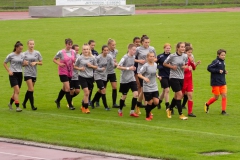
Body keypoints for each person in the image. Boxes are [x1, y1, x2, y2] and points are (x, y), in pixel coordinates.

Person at [163, 42, 188, 120]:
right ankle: (181, 114)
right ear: (178, 48)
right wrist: (171, 66)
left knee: (176, 96)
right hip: (173, 78)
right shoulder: (172, 56)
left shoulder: (185, 56)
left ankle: (169, 109)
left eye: (184, 47)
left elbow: (186, 64)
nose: (183, 48)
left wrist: (185, 67)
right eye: (181, 47)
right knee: (180, 95)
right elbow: (164, 63)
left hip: (181, 77)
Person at [135, 35, 156, 114]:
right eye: (145, 42)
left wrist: (152, 61)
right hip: (142, 72)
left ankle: (138, 105)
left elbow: (155, 58)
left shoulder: (152, 49)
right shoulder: (138, 49)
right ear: (142, 42)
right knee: (146, 90)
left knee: (143, 90)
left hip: (150, 72)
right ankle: (148, 109)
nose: (147, 44)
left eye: (148, 42)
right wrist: (139, 61)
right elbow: (132, 58)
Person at [3, 41, 28, 112]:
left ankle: (10, 103)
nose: (21, 50)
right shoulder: (11, 55)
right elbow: (4, 63)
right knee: (17, 91)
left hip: (20, 74)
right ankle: (17, 107)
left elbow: (22, 64)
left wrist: (25, 64)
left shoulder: (22, 55)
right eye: (20, 49)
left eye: (22, 49)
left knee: (15, 91)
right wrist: (9, 71)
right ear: (16, 48)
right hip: (13, 74)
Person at [74, 44, 97, 114]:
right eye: (84, 49)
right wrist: (80, 68)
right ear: (82, 50)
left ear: (89, 50)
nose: (85, 51)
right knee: (86, 92)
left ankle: (83, 106)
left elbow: (96, 67)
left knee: (87, 93)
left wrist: (91, 66)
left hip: (90, 77)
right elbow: (75, 66)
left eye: (87, 49)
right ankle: (86, 108)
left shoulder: (92, 58)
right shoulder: (80, 58)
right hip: (82, 77)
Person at [117, 44, 139, 117]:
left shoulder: (133, 57)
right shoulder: (125, 57)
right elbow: (118, 66)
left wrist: (133, 68)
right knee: (124, 96)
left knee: (136, 94)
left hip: (132, 78)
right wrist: (128, 68)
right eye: (133, 50)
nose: (134, 51)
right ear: (129, 49)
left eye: (135, 50)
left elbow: (131, 66)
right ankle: (120, 110)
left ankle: (132, 111)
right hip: (124, 79)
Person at [53, 38, 75, 110]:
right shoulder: (61, 52)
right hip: (63, 72)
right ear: (65, 44)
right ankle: (70, 105)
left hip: (70, 71)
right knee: (68, 88)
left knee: (64, 88)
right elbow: (54, 59)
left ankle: (58, 100)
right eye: (69, 45)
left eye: (71, 45)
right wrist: (59, 64)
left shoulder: (73, 52)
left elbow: (74, 60)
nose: (70, 46)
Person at [204, 49, 228, 115]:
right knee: (216, 97)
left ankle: (223, 111)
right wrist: (218, 71)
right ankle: (207, 104)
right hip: (216, 82)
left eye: (224, 55)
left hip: (222, 81)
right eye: (222, 55)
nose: (223, 56)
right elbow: (209, 68)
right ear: (218, 55)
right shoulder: (216, 61)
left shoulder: (223, 62)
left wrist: (224, 71)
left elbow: (221, 70)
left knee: (224, 95)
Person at [138, 52, 161, 121]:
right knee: (150, 102)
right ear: (147, 58)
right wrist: (144, 78)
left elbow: (155, 73)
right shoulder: (145, 66)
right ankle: (147, 116)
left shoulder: (155, 65)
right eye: (150, 56)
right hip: (147, 86)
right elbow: (139, 74)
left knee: (156, 102)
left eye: (153, 56)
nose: (152, 57)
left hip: (154, 86)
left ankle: (147, 109)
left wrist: (158, 76)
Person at [91, 45, 113, 111]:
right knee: (103, 90)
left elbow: (112, 64)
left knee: (100, 90)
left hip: (104, 75)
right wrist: (100, 69)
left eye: (107, 50)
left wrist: (116, 65)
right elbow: (94, 67)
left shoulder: (109, 57)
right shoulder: (98, 58)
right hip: (97, 75)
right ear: (102, 50)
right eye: (104, 50)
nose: (106, 52)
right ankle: (106, 106)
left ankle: (92, 102)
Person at [22, 40, 43, 110]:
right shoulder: (24, 54)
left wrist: (36, 63)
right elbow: (21, 64)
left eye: (33, 44)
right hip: (27, 73)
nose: (32, 45)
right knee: (31, 89)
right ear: (27, 44)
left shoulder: (37, 53)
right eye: (30, 44)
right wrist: (24, 63)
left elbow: (41, 62)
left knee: (29, 90)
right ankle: (32, 106)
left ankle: (24, 102)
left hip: (34, 73)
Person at [182, 46, 200, 117]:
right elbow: (181, 69)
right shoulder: (182, 59)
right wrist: (187, 68)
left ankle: (190, 112)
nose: (190, 54)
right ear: (185, 52)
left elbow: (193, 68)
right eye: (188, 52)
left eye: (191, 52)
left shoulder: (190, 59)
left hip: (189, 80)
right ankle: (171, 108)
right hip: (183, 79)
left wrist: (196, 63)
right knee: (179, 96)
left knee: (190, 95)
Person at [156, 43, 171, 110]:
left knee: (164, 91)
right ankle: (167, 105)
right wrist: (160, 67)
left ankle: (158, 102)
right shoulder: (160, 56)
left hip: (170, 75)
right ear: (164, 48)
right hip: (162, 75)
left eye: (169, 48)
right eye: (167, 48)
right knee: (167, 90)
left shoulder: (172, 56)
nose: (168, 49)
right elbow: (154, 64)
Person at [106, 38, 119, 108]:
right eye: (112, 45)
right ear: (109, 45)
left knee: (114, 87)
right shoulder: (106, 52)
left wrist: (115, 62)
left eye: (115, 45)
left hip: (112, 72)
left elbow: (114, 59)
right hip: (105, 72)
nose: (114, 46)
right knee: (102, 89)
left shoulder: (116, 51)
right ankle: (96, 101)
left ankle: (114, 103)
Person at [88, 40, 99, 106]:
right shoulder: (85, 52)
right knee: (89, 87)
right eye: (92, 45)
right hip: (87, 72)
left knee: (91, 86)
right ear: (89, 45)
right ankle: (87, 99)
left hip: (94, 72)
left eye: (94, 45)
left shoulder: (95, 52)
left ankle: (94, 100)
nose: (93, 46)